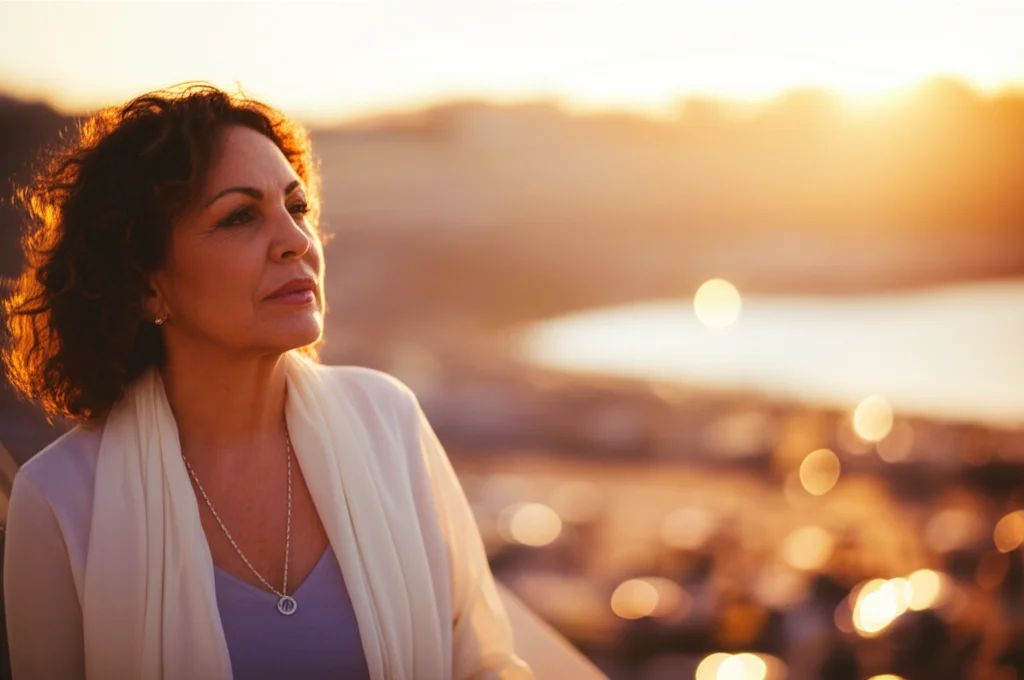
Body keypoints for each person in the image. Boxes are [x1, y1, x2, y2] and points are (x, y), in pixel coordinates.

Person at [1, 83, 535, 680]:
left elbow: (482, 662)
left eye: (297, 206)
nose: (297, 241)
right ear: (149, 284)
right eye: (239, 216)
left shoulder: (389, 419)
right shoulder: (60, 501)